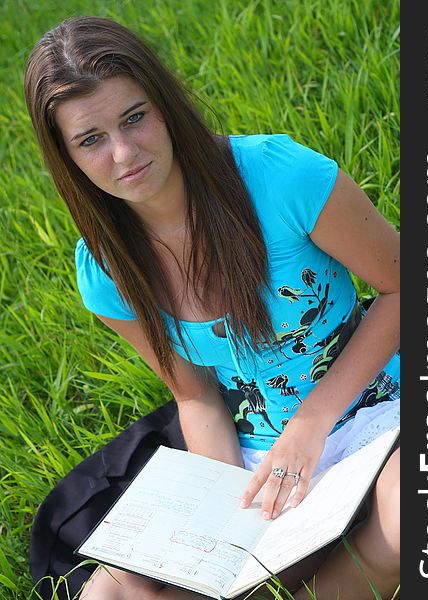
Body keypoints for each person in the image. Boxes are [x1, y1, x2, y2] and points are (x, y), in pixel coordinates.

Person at [24, 15, 400, 600]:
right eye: (91, 139)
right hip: (253, 449)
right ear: (66, 157)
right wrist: (221, 515)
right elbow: (195, 395)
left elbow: (412, 287)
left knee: (411, 518)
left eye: (134, 117)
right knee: (110, 594)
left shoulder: (282, 178)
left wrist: (310, 426)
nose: (124, 154)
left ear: (165, 104)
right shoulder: (105, 270)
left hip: (379, 405)